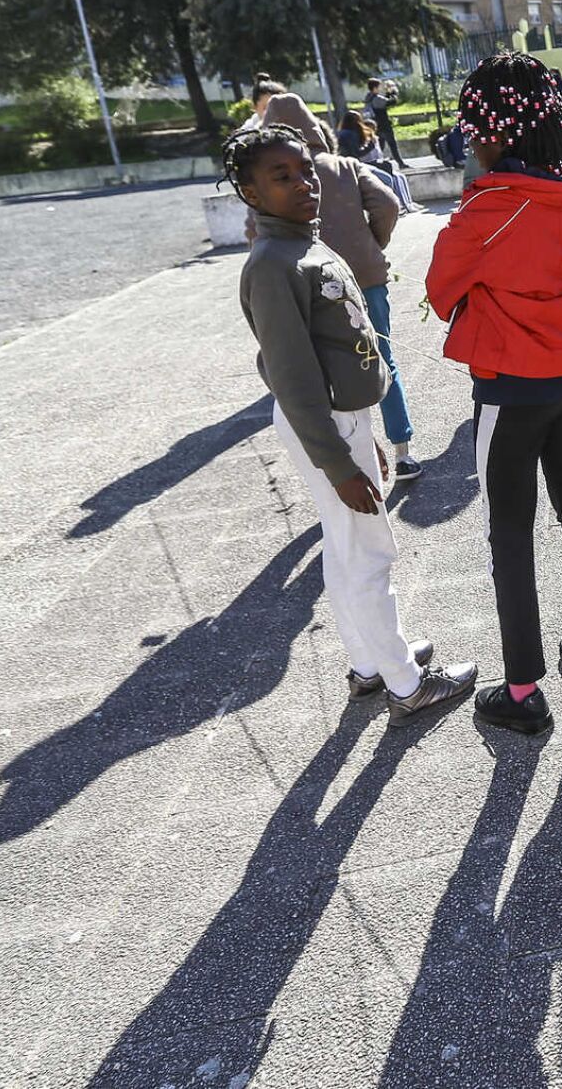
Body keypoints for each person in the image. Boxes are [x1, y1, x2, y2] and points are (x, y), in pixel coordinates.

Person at [226, 123, 477, 726]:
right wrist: (339, 462)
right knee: (369, 551)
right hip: (325, 423)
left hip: (343, 421)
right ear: (251, 194)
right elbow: (291, 376)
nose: (303, 183)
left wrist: (362, 438)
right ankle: (407, 683)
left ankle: (369, 662)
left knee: (344, 550)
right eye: (281, 178)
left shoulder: (303, 246)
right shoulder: (272, 263)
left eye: (305, 170)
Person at [426, 52, 562, 735]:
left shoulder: (487, 212)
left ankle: (522, 688)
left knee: (509, 530)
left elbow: (438, 290)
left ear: (492, 133)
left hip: (509, 388)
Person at [248, 95, 425, 482]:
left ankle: (355, 453)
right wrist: (371, 247)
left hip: (308, 287)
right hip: (367, 275)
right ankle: (403, 451)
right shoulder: (344, 165)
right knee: (381, 357)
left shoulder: (266, 178)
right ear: (316, 127)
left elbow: (255, 234)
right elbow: (388, 203)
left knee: (327, 370)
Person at [364, 77, 401, 161]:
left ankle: (378, 161)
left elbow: (383, 100)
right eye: (379, 87)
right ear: (375, 88)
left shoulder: (369, 97)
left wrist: (388, 94)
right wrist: (393, 92)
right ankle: (400, 163)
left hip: (376, 125)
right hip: (384, 125)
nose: (381, 89)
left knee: (380, 145)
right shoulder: (376, 98)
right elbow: (391, 102)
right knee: (392, 144)